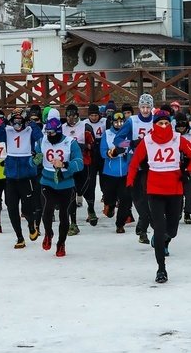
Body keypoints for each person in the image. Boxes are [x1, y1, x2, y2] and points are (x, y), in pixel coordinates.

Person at [127, 109, 191, 283]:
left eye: (167, 123)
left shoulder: (177, 138)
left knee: (172, 230)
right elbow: (134, 162)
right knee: (159, 229)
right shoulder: (147, 141)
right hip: (155, 190)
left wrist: (188, 172)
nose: (164, 126)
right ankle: (161, 268)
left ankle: (166, 239)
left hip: (175, 189)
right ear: (154, 125)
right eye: (160, 123)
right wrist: (130, 182)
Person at [0, 109, 43, 249]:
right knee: (11, 207)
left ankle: (32, 226)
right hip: (11, 176)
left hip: (27, 176)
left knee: (27, 209)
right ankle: (19, 237)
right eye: (15, 121)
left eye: (20, 121)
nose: (17, 124)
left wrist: (31, 122)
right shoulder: (7, 130)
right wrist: (4, 123)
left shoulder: (30, 130)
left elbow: (40, 136)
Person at [34, 115, 84, 257]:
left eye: (52, 133)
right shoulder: (42, 141)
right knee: (47, 209)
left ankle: (61, 243)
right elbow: (35, 158)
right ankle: (48, 233)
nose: (49, 136)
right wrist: (35, 160)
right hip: (47, 181)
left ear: (58, 131)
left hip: (65, 183)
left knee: (64, 215)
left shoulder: (70, 143)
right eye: (47, 133)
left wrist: (64, 164)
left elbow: (79, 163)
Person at [114, 93, 154, 244]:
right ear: (139, 107)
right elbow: (117, 141)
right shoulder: (132, 121)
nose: (145, 110)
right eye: (142, 107)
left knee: (150, 196)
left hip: (152, 163)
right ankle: (143, 225)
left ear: (151, 107)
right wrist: (131, 143)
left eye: (148, 107)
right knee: (138, 196)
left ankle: (143, 227)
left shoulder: (156, 120)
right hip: (135, 163)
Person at [62, 104, 96, 234]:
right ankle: (73, 223)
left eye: (74, 116)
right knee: (71, 192)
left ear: (78, 115)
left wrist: (81, 146)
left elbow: (92, 145)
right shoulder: (62, 128)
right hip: (69, 165)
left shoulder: (85, 127)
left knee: (85, 189)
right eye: (69, 116)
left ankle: (91, 208)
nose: (71, 119)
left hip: (83, 162)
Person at [100, 112, 134, 233]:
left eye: (121, 122)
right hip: (110, 172)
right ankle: (110, 206)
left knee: (125, 198)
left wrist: (126, 150)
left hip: (125, 172)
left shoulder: (128, 134)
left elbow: (132, 147)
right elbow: (102, 152)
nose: (119, 124)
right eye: (116, 122)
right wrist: (112, 153)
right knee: (109, 197)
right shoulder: (107, 134)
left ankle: (120, 224)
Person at [174, 113, 191, 224]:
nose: (181, 128)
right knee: (177, 191)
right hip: (176, 166)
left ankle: (188, 212)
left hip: (189, 164)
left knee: (189, 191)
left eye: (183, 126)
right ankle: (177, 211)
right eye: (179, 126)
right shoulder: (173, 135)